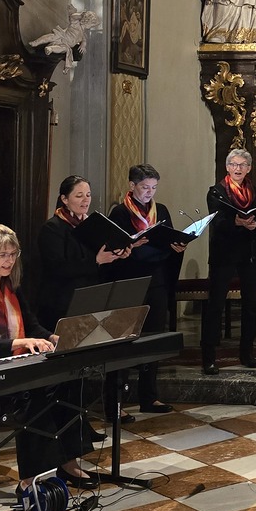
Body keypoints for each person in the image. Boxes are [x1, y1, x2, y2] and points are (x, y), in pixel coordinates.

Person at [0, 225, 98, 487]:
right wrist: (21, 342)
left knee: (69, 381)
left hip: (11, 360)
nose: (9, 261)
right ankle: (32, 479)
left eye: (13, 254)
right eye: (2, 254)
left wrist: (52, 338)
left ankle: (68, 461)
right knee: (33, 394)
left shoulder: (10, 287)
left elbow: (32, 326)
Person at [106, 164, 185, 414]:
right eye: (144, 187)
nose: (149, 192)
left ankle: (149, 397)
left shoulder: (160, 211)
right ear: (132, 186)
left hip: (156, 280)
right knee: (123, 341)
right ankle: (115, 402)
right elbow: (113, 249)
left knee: (153, 339)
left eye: (154, 187)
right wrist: (132, 246)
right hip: (129, 282)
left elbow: (168, 240)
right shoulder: (119, 213)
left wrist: (177, 246)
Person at [35, 175, 130, 331]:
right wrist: (96, 261)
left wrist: (118, 255)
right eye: (79, 196)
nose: (86, 200)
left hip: (91, 297)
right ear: (64, 199)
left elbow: (103, 262)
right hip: (61, 301)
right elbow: (57, 268)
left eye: (88, 195)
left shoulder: (94, 224)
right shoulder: (52, 228)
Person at [205, 148, 256, 374]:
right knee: (216, 305)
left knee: (250, 305)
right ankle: (209, 357)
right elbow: (216, 222)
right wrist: (236, 222)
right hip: (224, 254)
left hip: (248, 253)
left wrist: (255, 226)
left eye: (242, 165)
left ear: (249, 168)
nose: (238, 168)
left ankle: (247, 353)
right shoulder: (216, 192)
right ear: (227, 167)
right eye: (233, 164)